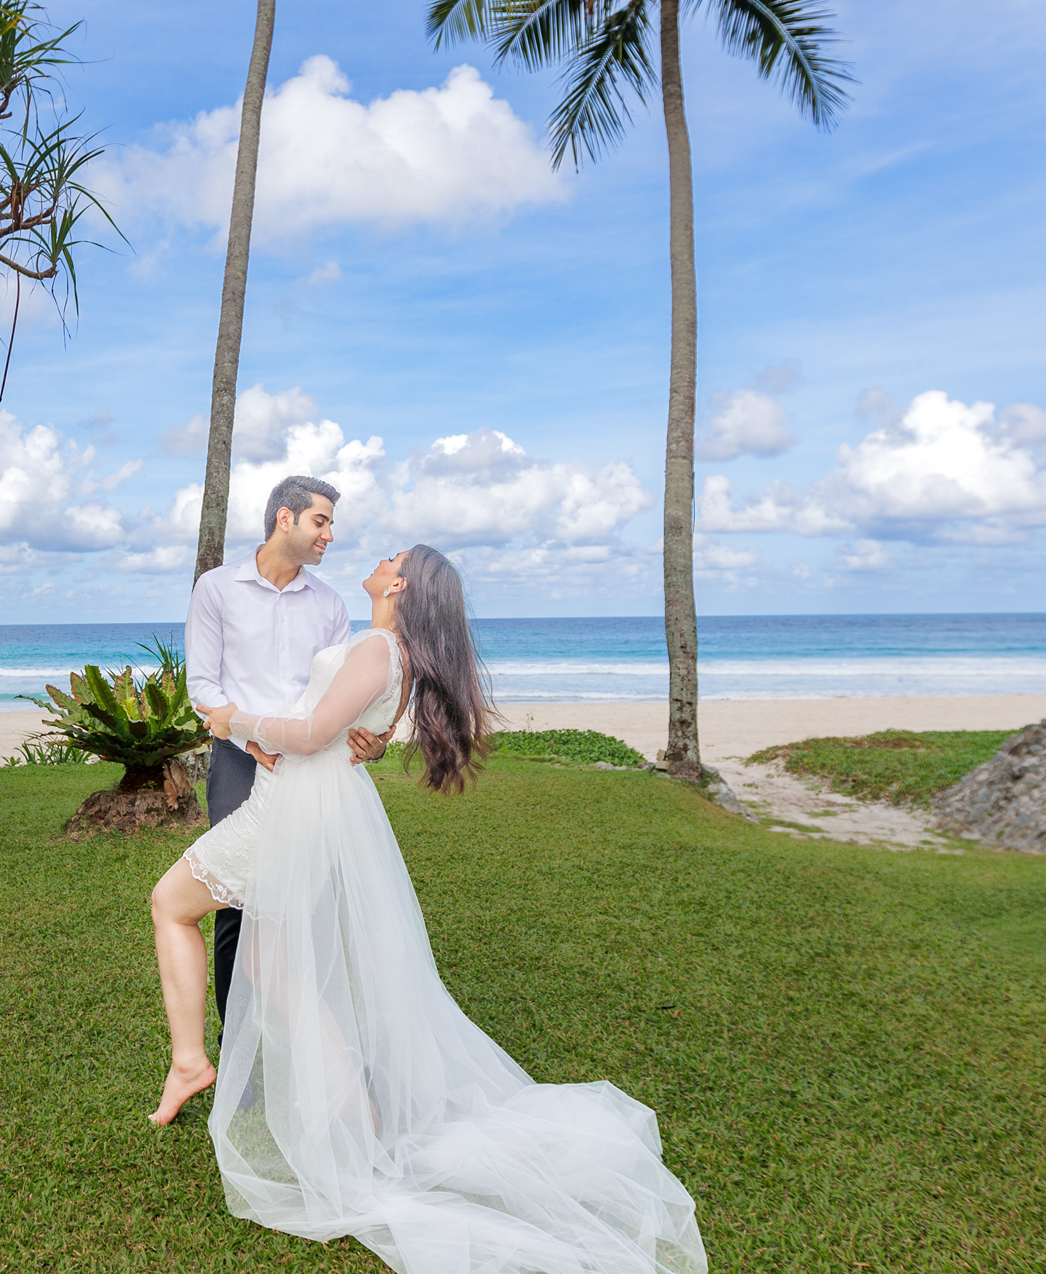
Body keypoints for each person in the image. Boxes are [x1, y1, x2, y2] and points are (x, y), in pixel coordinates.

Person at [151, 545, 707, 1274]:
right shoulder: (388, 650)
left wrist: (233, 721)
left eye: (391, 557)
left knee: (170, 904)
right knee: (268, 966)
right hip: (311, 805)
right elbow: (339, 729)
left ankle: (195, 1062)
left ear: (401, 583)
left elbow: (316, 734)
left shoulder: (379, 648)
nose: (376, 557)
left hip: (297, 813)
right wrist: (343, 738)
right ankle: (356, 1115)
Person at [184, 474, 383, 1029]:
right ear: (284, 518)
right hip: (241, 760)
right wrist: (249, 737)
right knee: (235, 905)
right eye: (321, 521)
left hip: (312, 768)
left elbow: (345, 695)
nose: (329, 536)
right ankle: (236, 1045)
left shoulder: (330, 604)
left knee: (305, 903)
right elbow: (202, 683)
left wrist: (374, 742)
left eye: (330, 525)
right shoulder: (217, 589)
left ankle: (306, 1050)